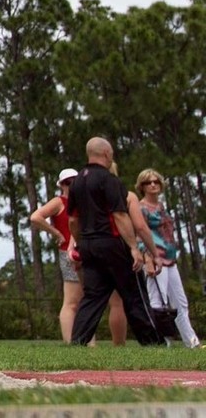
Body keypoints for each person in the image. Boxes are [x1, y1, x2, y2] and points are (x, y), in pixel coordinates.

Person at [66, 137, 163, 346]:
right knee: (134, 294)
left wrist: (80, 243)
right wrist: (134, 248)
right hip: (112, 243)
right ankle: (153, 342)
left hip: (89, 245)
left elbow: (73, 219)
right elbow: (120, 216)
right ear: (107, 154)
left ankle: (77, 342)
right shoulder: (110, 181)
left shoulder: (77, 183)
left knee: (93, 296)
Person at [136, 168, 202, 348]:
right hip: (154, 257)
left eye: (156, 181)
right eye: (148, 182)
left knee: (180, 301)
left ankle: (192, 342)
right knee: (157, 300)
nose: (153, 185)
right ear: (141, 186)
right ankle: (161, 342)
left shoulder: (161, 207)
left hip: (170, 257)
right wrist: (147, 258)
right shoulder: (141, 208)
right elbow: (139, 234)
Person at [30, 167, 83, 342]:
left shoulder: (85, 201)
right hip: (69, 253)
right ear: (62, 185)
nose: (72, 185)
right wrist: (56, 233)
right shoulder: (59, 202)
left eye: (75, 180)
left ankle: (87, 340)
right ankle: (69, 341)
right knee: (71, 301)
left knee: (86, 300)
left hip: (87, 251)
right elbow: (36, 217)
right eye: (68, 182)